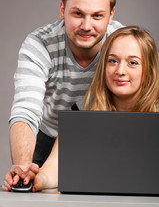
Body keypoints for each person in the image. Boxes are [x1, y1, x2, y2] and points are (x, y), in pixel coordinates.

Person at [3, 0, 123, 191]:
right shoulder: (39, 44)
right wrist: (22, 165)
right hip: (48, 137)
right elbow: (25, 110)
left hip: (104, 137)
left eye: (97, 15)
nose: (86, 26)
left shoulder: (123, 43)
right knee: (27, 193)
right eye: (77, 14)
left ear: (111, 15)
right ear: (62, 10)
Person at [26, 25, 159, 192]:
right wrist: (37, 180)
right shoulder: (81, 112)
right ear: (103, 66)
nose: (120, 71)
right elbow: (54, 168)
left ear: (148, 69)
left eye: (132, 63)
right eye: (113, 61)